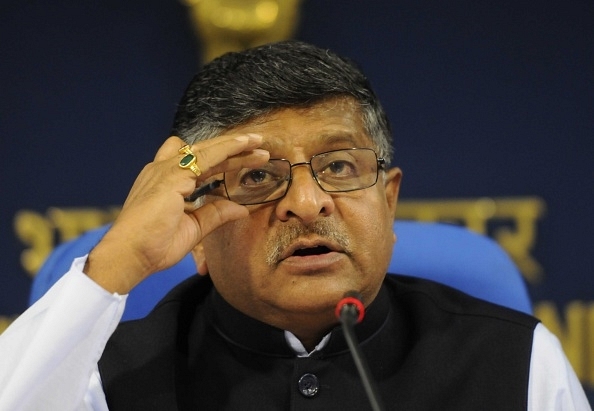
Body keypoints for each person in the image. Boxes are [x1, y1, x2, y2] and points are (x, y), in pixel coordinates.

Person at [0, 41, 589, 410]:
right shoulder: (107, 379)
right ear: (197, 231)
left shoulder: (515, 361)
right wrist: (117, 263)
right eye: (257, 178)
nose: (307, 204)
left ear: (389, 200)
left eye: (337, 166)